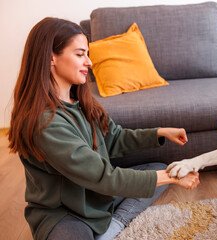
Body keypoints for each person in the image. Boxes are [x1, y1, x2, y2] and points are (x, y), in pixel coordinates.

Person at [8, 17, 200, 240]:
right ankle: (110, 227)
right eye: (80, 54)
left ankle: (113, 226)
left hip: (99, 198)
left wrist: (159, 133)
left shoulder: (80, 103)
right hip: (66, 214)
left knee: (157, 168)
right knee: (159, 175)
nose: (89, 62)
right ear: (51, 57)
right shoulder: (45, 123)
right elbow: (103, 177)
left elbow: (114, 138)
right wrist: (173, 177)